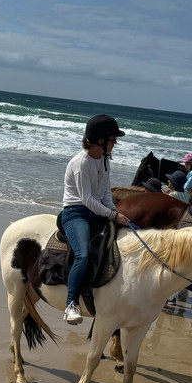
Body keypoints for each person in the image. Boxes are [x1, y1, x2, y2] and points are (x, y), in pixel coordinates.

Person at [60, 114, 131, 325]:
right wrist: (112, 215)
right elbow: (87, 199)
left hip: (98, 211)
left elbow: (105, 194)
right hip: (76, 213)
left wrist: (115, 211)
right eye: (112, 139)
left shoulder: (103, 160)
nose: (115, 143)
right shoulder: (81, 163)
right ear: (101, 140)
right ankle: (71, 303)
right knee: (83, 254)